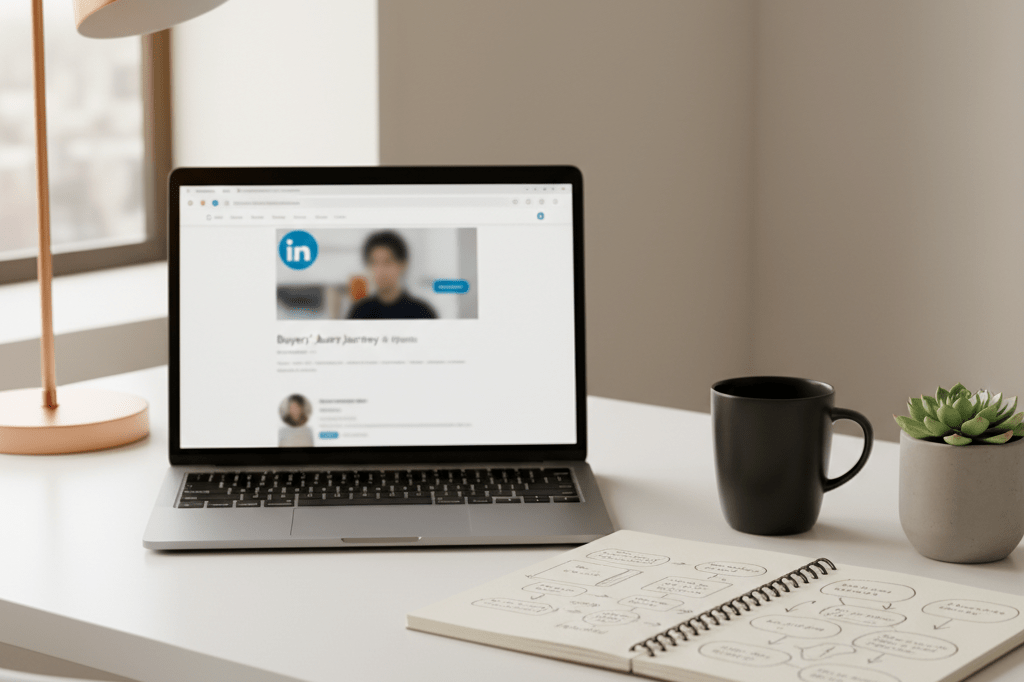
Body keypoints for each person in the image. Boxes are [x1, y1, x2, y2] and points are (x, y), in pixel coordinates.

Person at [347, 231, 437, 319]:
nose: (380, 271)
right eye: (373, 263)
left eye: (387, 262)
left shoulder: (422, 313)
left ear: (403, 265)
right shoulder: (359, 312)